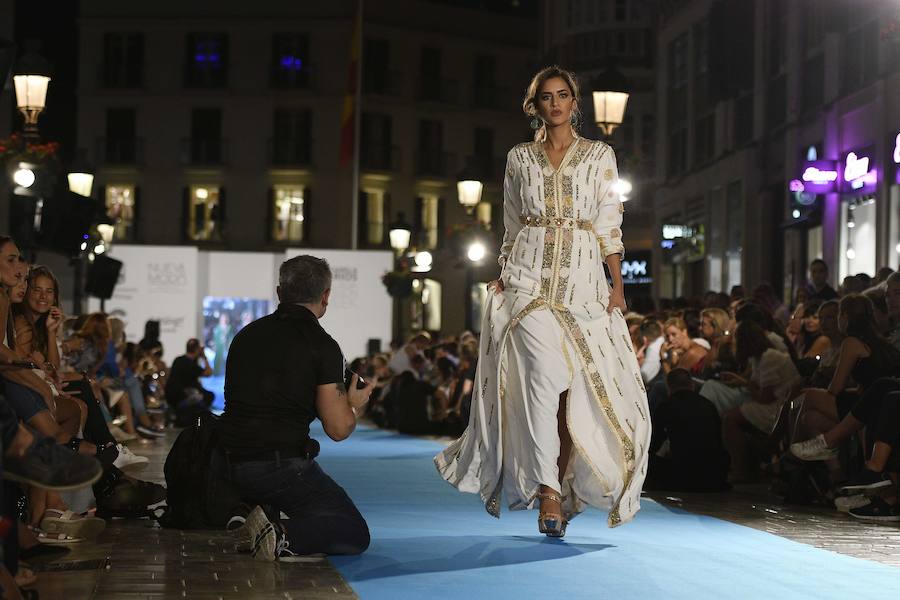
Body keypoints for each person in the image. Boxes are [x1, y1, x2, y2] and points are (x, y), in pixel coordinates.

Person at [435, 66, 651, 535]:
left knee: (577, 391)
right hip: (528, 279)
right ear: (534, 105)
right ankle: (548, 494)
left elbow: (609, 222)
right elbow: (511, 221)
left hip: (582, 280)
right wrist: (503, 270)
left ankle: (564, 483)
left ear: (576, 103)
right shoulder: (519, 158)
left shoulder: (600, 156)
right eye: (546, 97)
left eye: (564, 95)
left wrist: (616, 285)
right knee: (542, 377)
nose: (555, 104)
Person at [218, 255, 375, 560]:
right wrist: (353, 405)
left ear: (280, 292)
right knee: (352, 531)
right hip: (280, 466)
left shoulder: (245, 336)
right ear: (325, 295)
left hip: (229, 461)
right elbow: (338, 428)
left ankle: (249, 509)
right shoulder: (322, 345)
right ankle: (280, 534)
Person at [720, 320, 801, 482]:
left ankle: (740, 469)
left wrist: (747, 385)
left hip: (778, 408)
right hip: (777, 403)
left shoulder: (770, 357)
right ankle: (746, 466)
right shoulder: (759, 358)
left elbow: (766, 397)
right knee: (731, 413)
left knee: (730, 418)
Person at [646, 369, 729, 492]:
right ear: (692, 385)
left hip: (683, 475)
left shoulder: (666, 406)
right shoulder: (708, 405)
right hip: (713, 474)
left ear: (669, 388)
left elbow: (655, 443)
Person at [165, 338, 214, 411]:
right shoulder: (191, 364)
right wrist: (204, 357)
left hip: (171, 397)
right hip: (183, 397)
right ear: (197, 349)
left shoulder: (178, 360)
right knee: (209, 396)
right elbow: (209, 373)